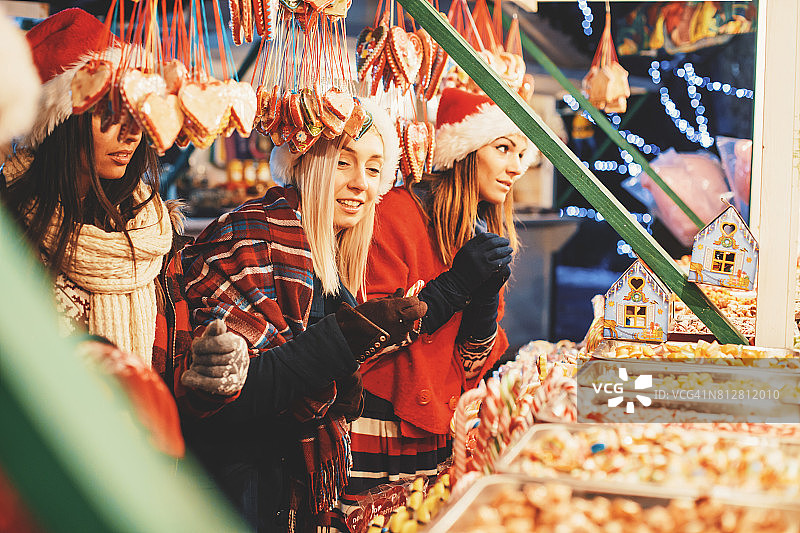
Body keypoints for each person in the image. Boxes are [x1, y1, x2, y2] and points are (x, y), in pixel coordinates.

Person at [178, 98, 426, 532]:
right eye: (344, 162)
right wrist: (346, 341)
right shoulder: (245, 235)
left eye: (373, 169)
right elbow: (229, 395)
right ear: (307, 164)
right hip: (232, 490)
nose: (360, 185)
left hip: (287, 489)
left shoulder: (329, 251)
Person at [0, 8, 244, 431]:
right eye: (107, 116)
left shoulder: (150, 235)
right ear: (60, 122)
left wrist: (208, 376)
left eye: (135, 116)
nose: (130, 134)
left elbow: (168, 381)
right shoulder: (12, 228)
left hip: (137, 467)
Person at [346, 87, 538, 497]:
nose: (516, 166)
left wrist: (484, 301)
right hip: (380, 419)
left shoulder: (483, 229)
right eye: (503, 148)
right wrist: (455, 286)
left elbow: (471, 363)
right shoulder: (393, 213)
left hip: (442, 424)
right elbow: (363, 338)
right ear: (464, 153)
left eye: (521, 154)